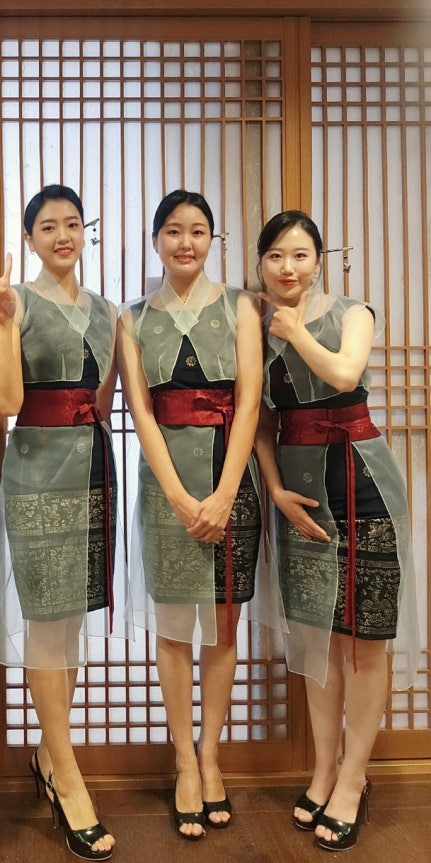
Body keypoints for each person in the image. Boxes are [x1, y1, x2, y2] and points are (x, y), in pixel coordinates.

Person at [254, 210, 419, 852]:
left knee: (364, 638)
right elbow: (260, 421)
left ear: (319, 261)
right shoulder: (254, 327)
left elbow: (346, 376)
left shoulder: (354, 313)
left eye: (300, 255)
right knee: (317, 637)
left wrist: (295, 330)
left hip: (363, 482)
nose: (288, 267)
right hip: (299, 491)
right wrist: (273, 489)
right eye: (276, 256)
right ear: (260, 263)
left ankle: (354, 777)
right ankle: (323, 770)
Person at [116, 190, 262, 840]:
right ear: (156, 241)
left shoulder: (240, 307)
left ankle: (210, 757)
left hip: (232, 480)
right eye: (173, 231)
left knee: (223, 628)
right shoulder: (131, 319)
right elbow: (141, 412)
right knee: (174, 629)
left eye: (198, 230)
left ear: (211, 240)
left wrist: (226, 493)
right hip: (165, 488)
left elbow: (250, 402)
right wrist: (177, 496)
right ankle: (182, 760)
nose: (185, 242)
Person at [0, 185, 120, 862]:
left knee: (70, 623)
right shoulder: (14, 299)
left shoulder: (107, 311)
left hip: (93, 466)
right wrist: (3, 321)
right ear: (29, 238)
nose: (62, 235)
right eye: (47, 226)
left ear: (84, 231)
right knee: (46, 619)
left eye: (71, 223)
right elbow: (5, 400)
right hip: (36, 470)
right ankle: (67, 776)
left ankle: (48, 752)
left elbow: (104, 400)